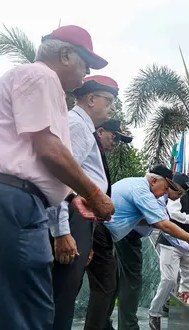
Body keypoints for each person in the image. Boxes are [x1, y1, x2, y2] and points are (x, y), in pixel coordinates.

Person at [0, 25, 115, 330]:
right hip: (15, 206)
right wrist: (94, 194)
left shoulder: (22, 78)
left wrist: (71, 195)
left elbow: (29, 157)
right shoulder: (43, 77)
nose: (84, 75)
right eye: (85, 65)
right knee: (26, 315)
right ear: (65, 55)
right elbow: (49, 150)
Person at [105, 165, 189, 330]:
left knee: (114, 282)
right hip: (124, 236)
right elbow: (166, 227)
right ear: (157, 181)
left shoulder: (151, 192)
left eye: (182, 194)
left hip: (120, 235)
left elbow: (163, 227)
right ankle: (129, 326)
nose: (176, 196)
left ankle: (106, 324)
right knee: (132, 282)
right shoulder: (148, 194)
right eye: (174, 191)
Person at [48, 75, 119, 330]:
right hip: (71, 213)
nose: (112, 108)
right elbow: (59, 177)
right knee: (63, 291)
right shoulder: (77, 124)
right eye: (108, 101)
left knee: (70, 287)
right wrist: (63, 231)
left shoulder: (84, 127)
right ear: (91, 99)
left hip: (81, 216)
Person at [84, 118, 132, 330]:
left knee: (108, 284)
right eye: (114, 136)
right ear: (100, 131)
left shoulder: (98, 154)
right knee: (103, 284)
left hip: (94, 227)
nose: (115, 142)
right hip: (86, 225)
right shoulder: (85, 146)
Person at [148, 163, 189, 325]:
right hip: (172, 242)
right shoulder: (177, 189)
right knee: (169, 279)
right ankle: (155, 312)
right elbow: (174, 215)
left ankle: (183, 317)